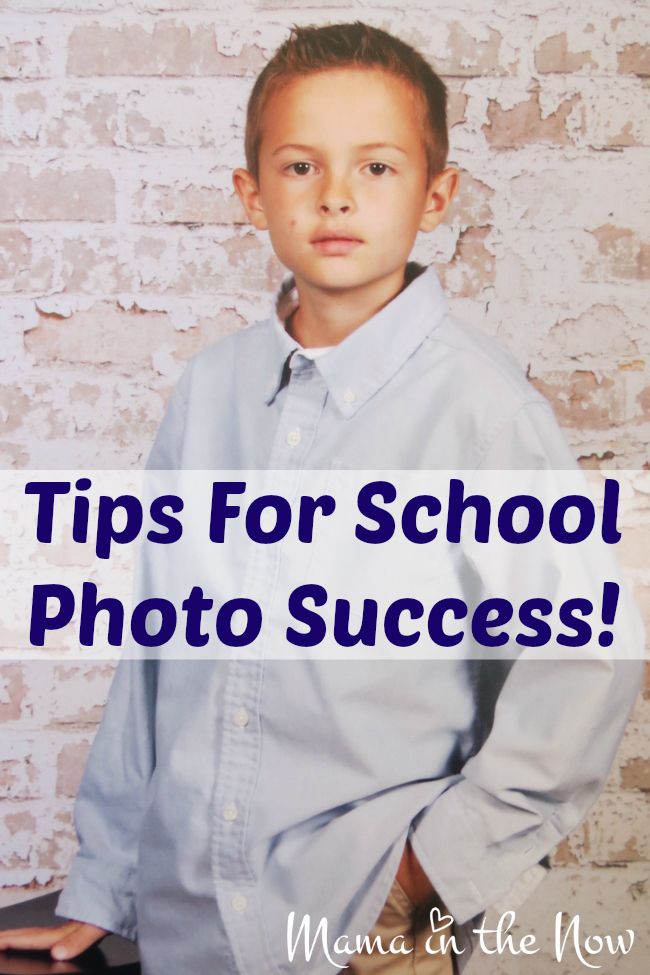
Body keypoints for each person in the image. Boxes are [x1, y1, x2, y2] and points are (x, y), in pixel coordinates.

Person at [0, 21, 643, 975]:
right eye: (301, 167)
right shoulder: (208, 391)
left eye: (377, 168)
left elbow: (583, 660)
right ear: (250, 194)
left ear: (437, 196)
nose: (336, 194)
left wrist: (420, 874)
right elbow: (155, 651)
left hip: (363, 929)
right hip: (190, 924)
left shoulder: (482, 411)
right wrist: (105, 882)